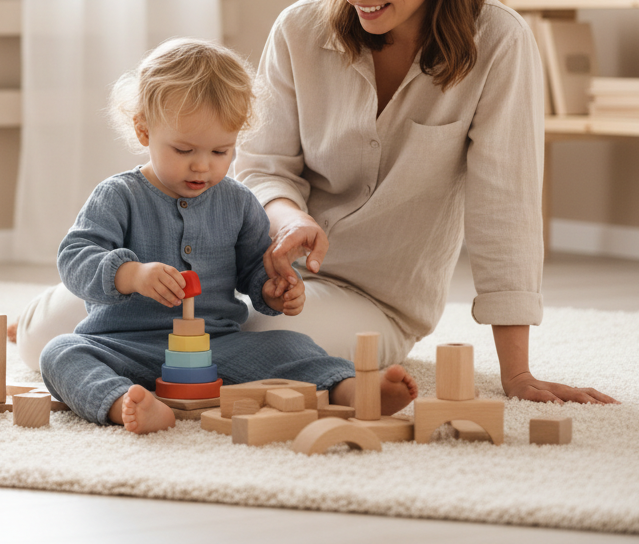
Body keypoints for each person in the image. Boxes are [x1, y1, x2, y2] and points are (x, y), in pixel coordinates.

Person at [18, 0, 618, 405]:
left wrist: (517, 374)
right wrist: (289, 219)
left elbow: (505, 209)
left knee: (247, 340)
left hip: (372, 299)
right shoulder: (300, 29)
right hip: (250, 273)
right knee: (52, 336)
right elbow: (264, 166)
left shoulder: (500, 44)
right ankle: (36, 320)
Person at [39, 38, 418, 434]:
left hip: (215, 345)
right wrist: (131, 274)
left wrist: (272, 289)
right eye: (184, 150)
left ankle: (351, 390)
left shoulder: (238, 201)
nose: (202, 166)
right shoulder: (119, 195)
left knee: (291, 344)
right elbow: (75, 257)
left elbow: (255, 266)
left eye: (221, 152)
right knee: (61, 353)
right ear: (144, 130)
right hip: (124, 345)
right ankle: (124, 402)